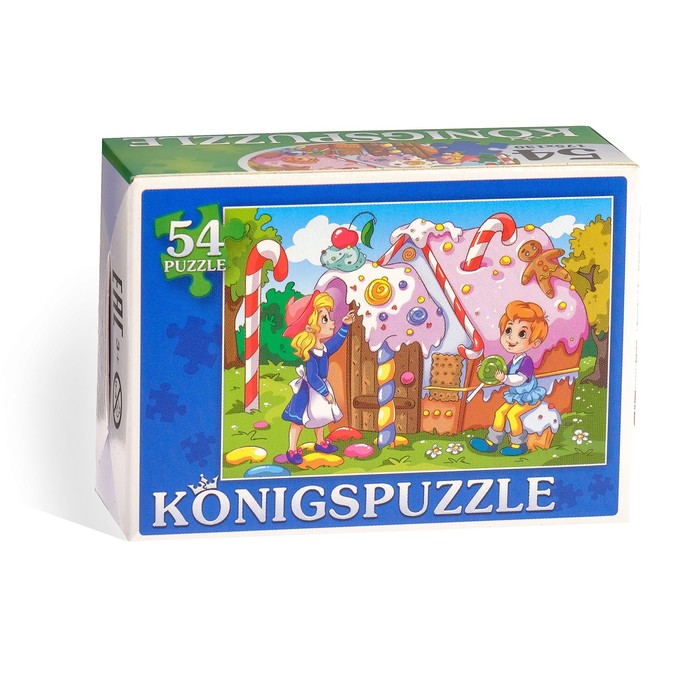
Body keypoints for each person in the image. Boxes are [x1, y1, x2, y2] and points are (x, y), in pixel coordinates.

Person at [282, 291, 355, 465]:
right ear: (309, 328)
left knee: (320, 415)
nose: (331, 322)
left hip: (320, 387)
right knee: (299, 420)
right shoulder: (310, 354)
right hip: (308, 391)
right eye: (325, 319)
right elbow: (312, 376)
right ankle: (292, 449)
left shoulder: (323, 348)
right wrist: (325, 392)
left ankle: (320, 442)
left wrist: (345, 326)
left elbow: (335, 344)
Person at [470, 301, 548, 456]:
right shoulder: (513, 360)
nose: (511, 338)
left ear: (535, 342)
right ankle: (491, 442)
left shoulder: (526, 361)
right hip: (516, 397)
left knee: (513, 414)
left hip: (528, 397)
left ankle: (518, 445)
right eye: (508, 330)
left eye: (522, 334)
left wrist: (504, 377)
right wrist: (486, 371)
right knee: (500, 412)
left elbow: (519, 379)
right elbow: (501, 374)